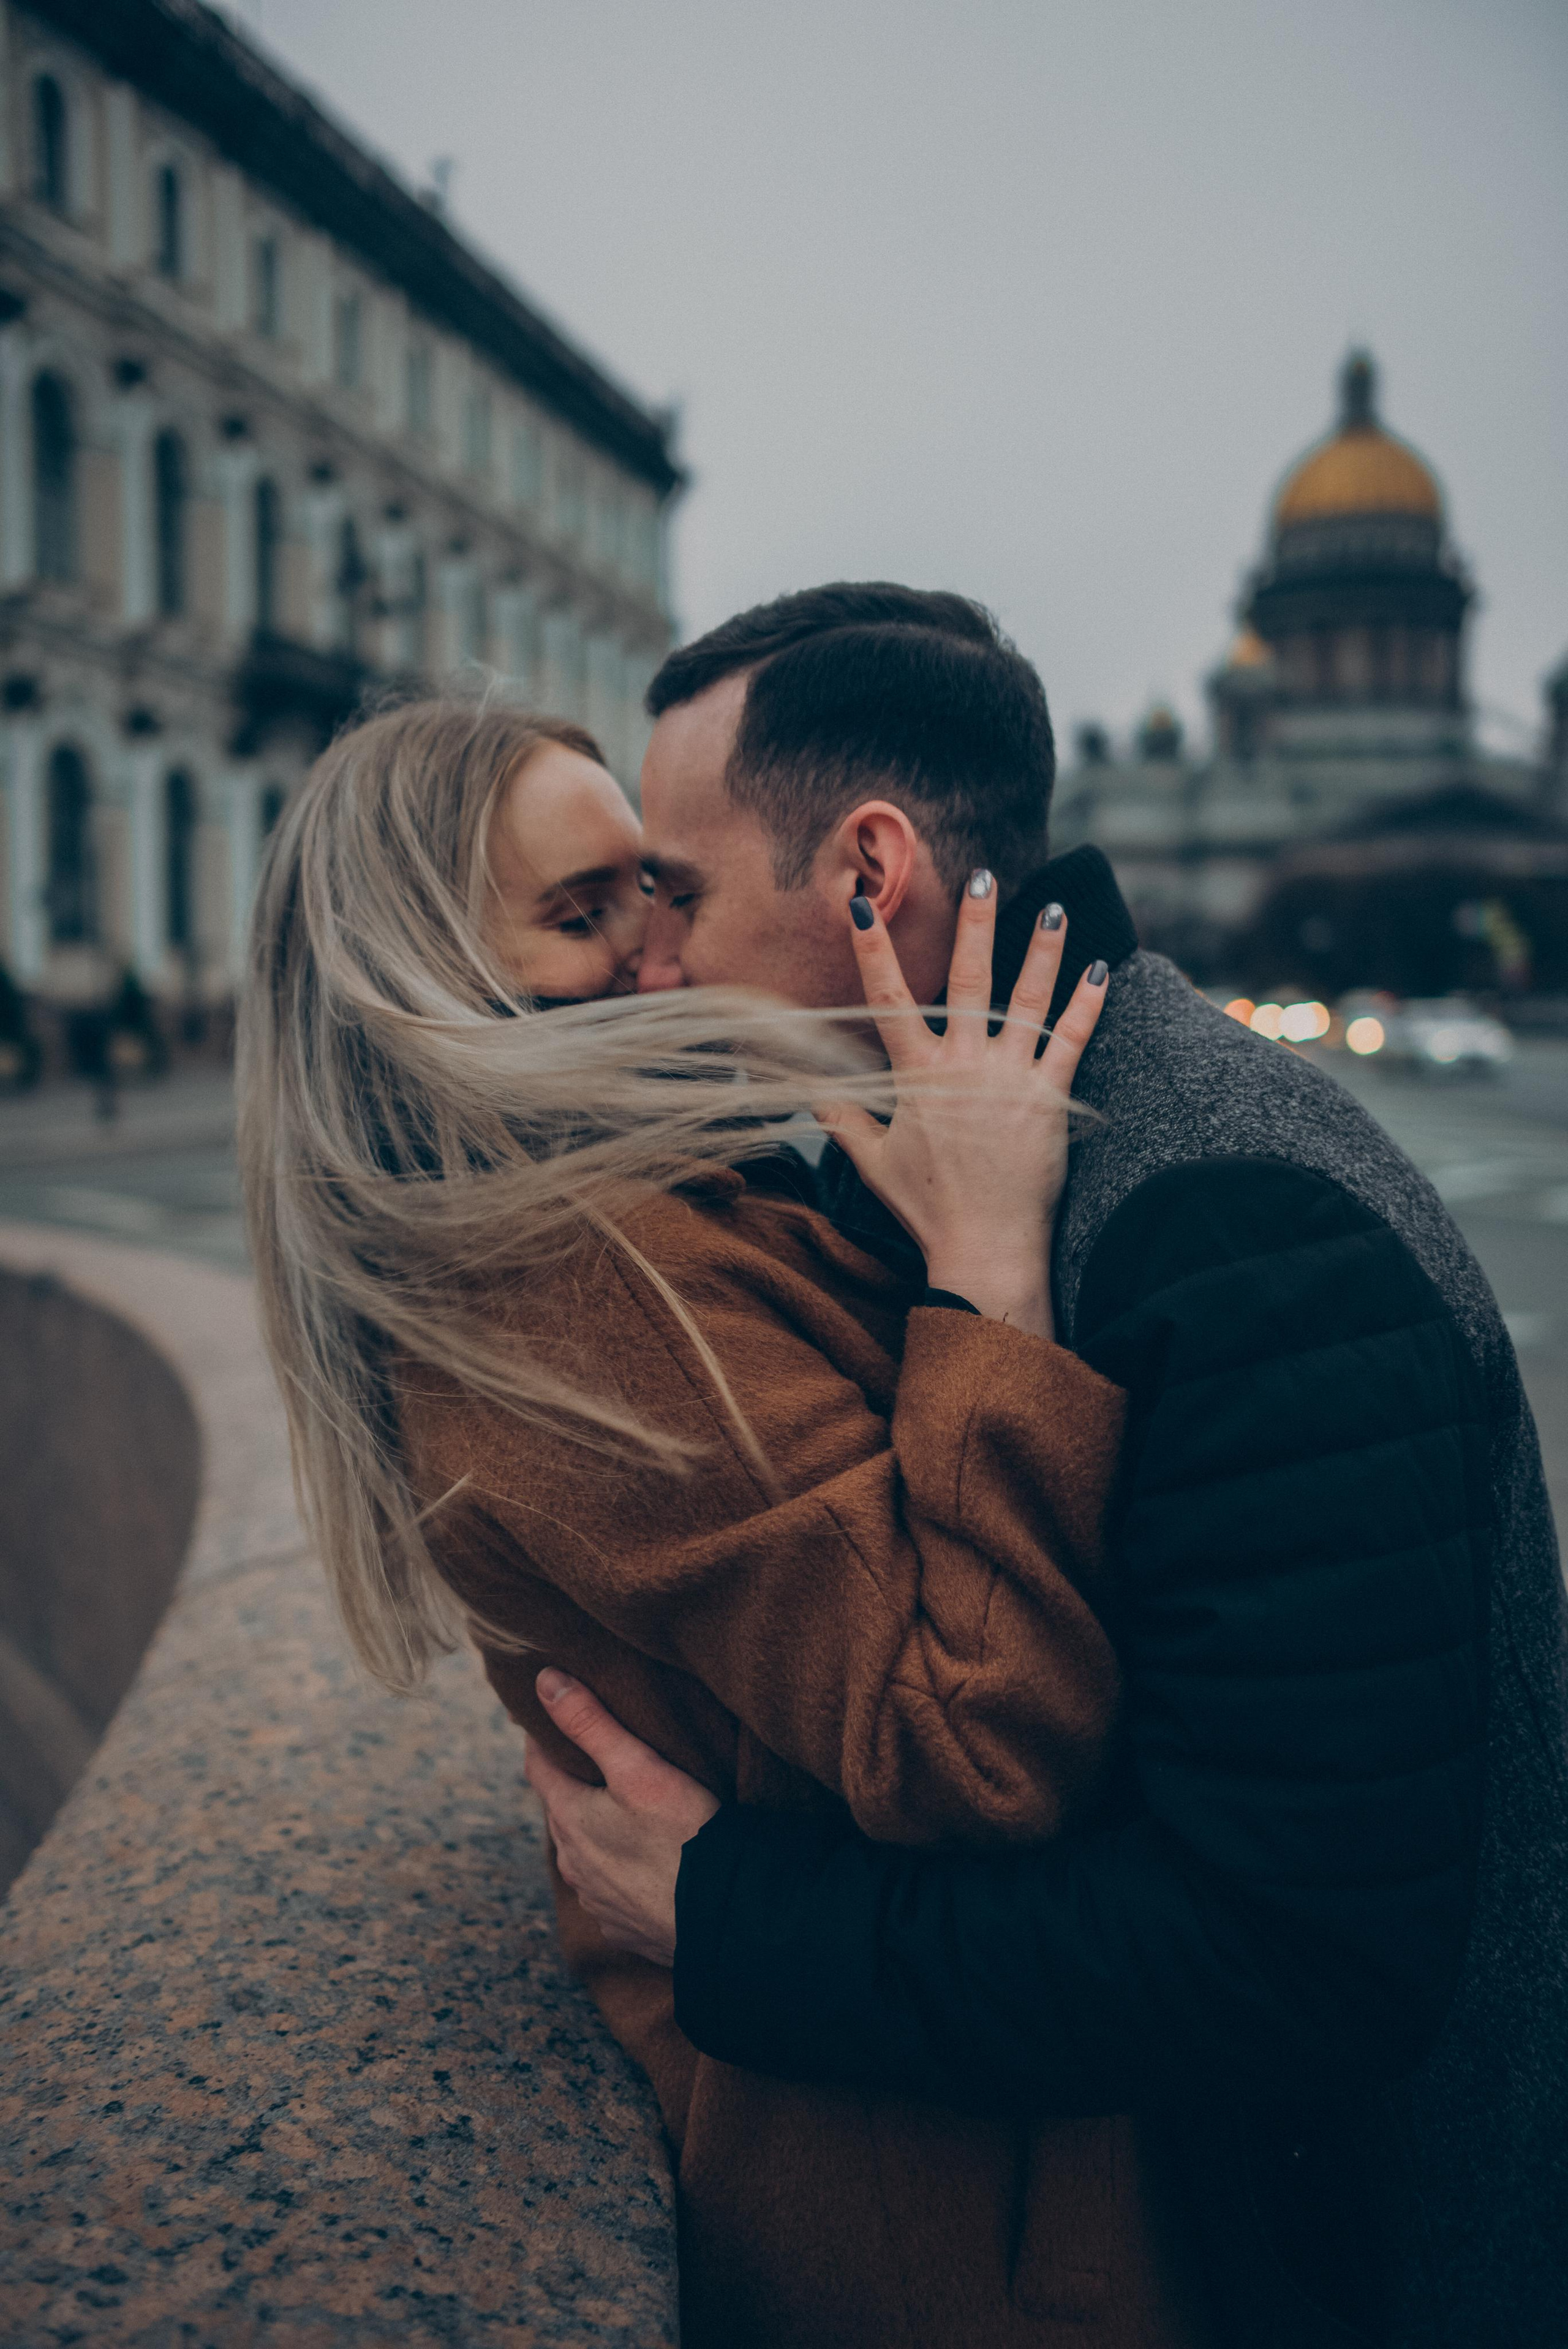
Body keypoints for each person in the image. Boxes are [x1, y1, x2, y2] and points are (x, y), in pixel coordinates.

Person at [525, 582, 1568, 2349]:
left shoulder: (1229, 1222)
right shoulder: (973, 1158)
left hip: (1326, 2280)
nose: (656, 965)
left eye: (680, 894)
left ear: (870, 876)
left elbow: (1294, 1955)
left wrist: (726, 1914)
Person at [237, 690, 1205, 2347]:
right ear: (419, 978)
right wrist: (987, 1269)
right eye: (582, 912)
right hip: (954, 2229)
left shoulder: (619, 1220)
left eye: (656, 890)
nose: (663, 955)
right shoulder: (583, 1288)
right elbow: (985, 1743)